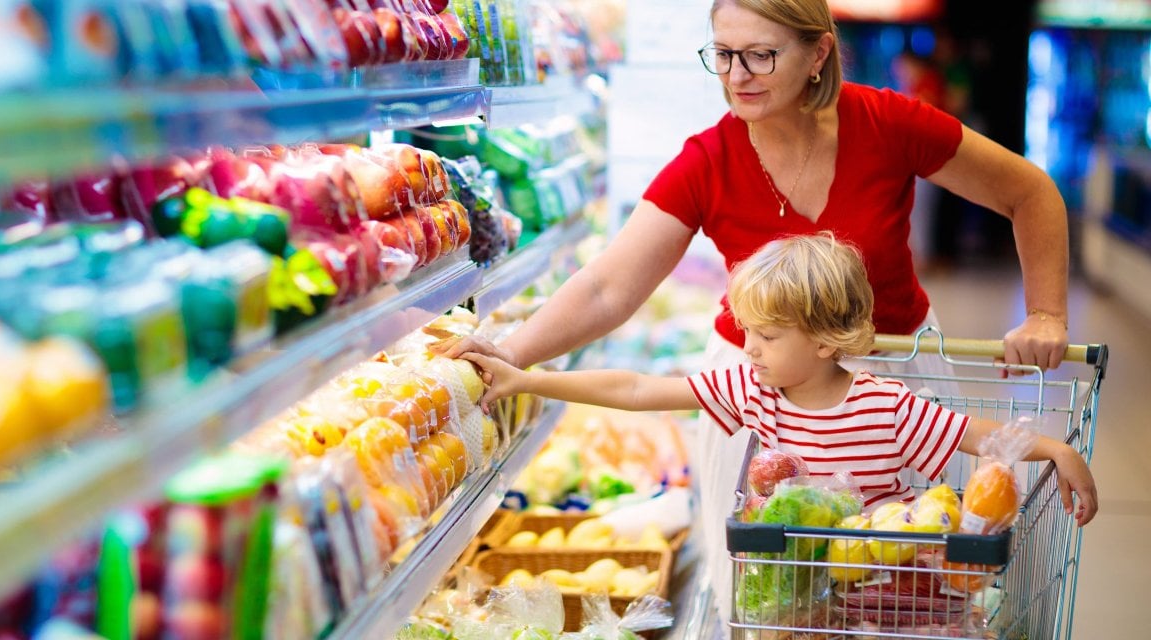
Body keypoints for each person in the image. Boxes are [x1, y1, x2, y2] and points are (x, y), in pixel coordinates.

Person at [434, 0, 1073, 625]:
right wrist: (512, 353)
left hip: (893, 385)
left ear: (817, 53)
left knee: (907, 583)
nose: (737, 75)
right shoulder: (709, 159)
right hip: (762, 393)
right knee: (773, 596)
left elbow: (1029, 191)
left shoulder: (887, 123)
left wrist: (1046, 312)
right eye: (723, 54)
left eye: (760, 55)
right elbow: (608, 288)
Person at [460, 234, 1097, 521]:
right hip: (787, 596)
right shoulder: (752, 389)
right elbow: (633, 389)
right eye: (747, 331)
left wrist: (1057, 449)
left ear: (825, 342)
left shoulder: (888, 405)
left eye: (766, 336)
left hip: (878, 591)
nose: (748, 347)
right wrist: (526, 377)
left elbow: (975, 435)